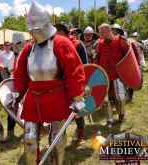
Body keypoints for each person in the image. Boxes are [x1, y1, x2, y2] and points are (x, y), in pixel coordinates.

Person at [12, 2, 86, 164]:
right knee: (30, 139)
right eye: (32, 29)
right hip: (33, 97)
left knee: (57, 139)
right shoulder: (28, 49)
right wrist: (16, 93)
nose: (35, 32)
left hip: (56, 95)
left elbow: (74, 71)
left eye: (37, 28)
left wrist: (77, 97)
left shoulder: (61, 43)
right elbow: (21, 74)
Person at [55, 22, 87, 144]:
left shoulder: (78, 44)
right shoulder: (53, 44)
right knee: (60, 111)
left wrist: (82, 84)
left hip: (75, 83)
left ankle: (81, 134)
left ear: (63, 32)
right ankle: (59, 138)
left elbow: (85, 65)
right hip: (60, 84)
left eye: (57, 31)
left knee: (78, 110)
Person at [96, 23, 130, 128]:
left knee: (119, 98)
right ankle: (109, 119)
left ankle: (121, 115)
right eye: (99, 32)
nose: (100, 34)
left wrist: (128, 74)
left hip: (117, 75)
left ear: (109, 30)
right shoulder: (100, 43)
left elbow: (129, 57)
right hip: (104, 75)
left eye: (102, 32)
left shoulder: (121, 41)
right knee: (105, 100)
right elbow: (97, 58)